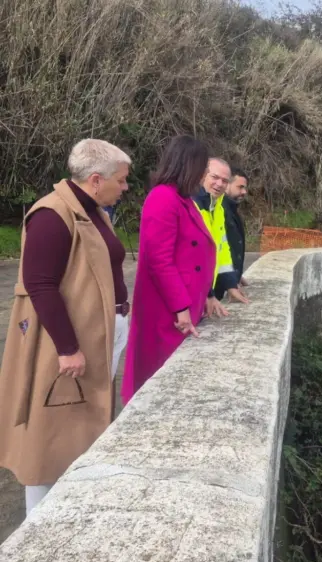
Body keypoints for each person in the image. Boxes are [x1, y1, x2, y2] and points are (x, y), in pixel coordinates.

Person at [0, 139, 131, 515]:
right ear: (95, 179)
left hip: (99, 335)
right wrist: (67, 348)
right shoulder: (52, 214)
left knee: (82, 424)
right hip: (67, 344)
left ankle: (74, 507)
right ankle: (38, 526)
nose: (125, 188)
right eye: (121, 181)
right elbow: (39, 285)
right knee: (49, 433)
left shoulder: (91, 210)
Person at [121, 136, 218, 405]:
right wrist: (181, 308)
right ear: (190, 166)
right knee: (160, 376)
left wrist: (207, 294)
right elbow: (158, 260)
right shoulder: (163, 198)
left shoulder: (182, 198)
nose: (203, 177)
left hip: (184, 303)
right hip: (167, 309)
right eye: (202, 169)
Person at [194, 158, 249, 305]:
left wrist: (231, 282)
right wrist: (208, 295)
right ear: (203, 175)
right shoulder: (192, 204)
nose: (219, 184)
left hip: (207, 293)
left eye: (224, 180)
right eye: (215, 177)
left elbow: (222, 249)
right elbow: (194, 258)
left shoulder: (217, 205)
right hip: (192, 297)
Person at [215, 166, 249, 300]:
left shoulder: (231, 209)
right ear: (227, 185)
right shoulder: (220, 209)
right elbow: (220, 248)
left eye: (245, 188)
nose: (244, 192)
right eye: (240, 187)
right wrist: (229, 281)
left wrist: (236, 274)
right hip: (217, 288)